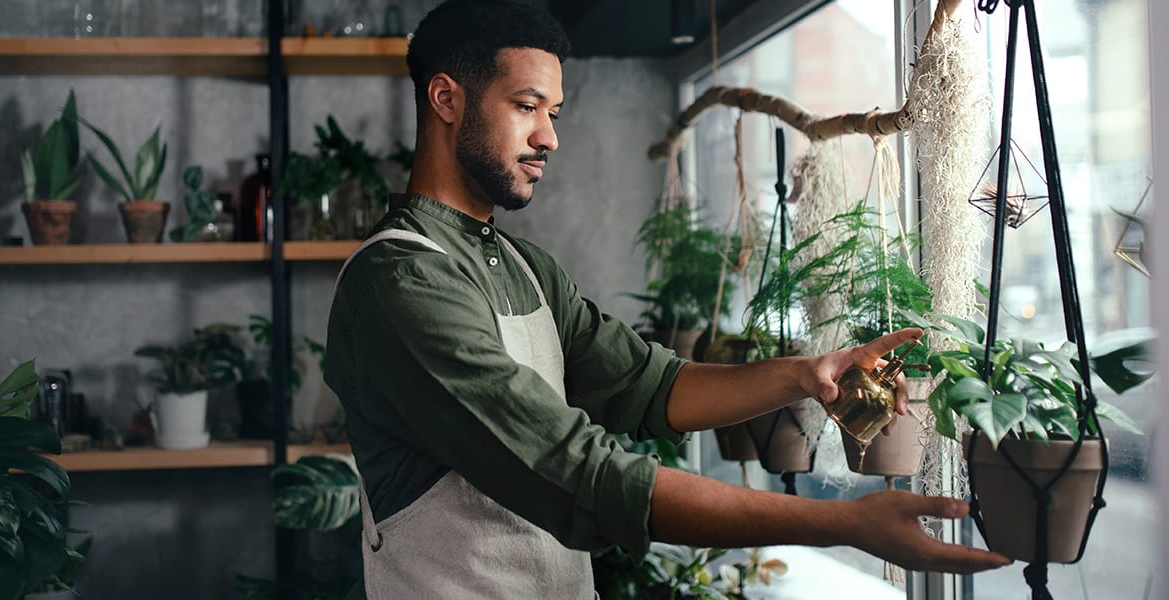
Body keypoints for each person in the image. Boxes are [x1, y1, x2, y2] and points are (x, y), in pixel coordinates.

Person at [323, 1, 1011, 597]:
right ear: (446, 99)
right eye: (526, 106)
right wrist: (842, 525)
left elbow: (652, 387)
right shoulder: (399, 283)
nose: (549, 137)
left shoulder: (526, 268)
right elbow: (582, 475)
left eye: (553, 112)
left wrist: (804, 374)